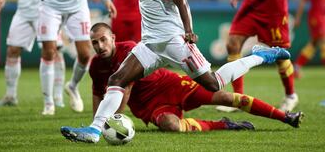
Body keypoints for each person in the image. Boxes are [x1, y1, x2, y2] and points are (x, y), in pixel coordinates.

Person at [60, 0, 293, 143]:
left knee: (213, 84)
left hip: (174, 42)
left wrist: (189, 31)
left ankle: (259, 56)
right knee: (117, 78)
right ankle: (94, 130)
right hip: (151, 45)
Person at [88, 22, 302, 133]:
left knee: (226, 96)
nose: (100, 46)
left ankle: (285, 117)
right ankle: (223, 125)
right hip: (148, 107)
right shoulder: (96, 66)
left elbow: (125, 90)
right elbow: (98, 94)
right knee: (172, 125)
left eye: (103, 40)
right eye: (95, 43)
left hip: (169, 84)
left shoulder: (129, 50)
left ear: (113, 38)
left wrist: (105, 124)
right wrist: (96, 119)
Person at [293, 0, 325, 78]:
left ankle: (296, 67)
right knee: (323, 40)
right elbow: (303, 0)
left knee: (314, 44)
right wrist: (297, 17)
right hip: (316, 17)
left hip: (324, 17)